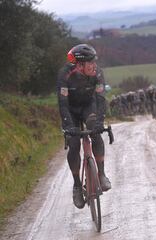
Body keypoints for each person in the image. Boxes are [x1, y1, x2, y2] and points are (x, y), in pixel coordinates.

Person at [57, 43, 111, 209]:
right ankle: (77, 186)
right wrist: (68, 126)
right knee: (73, 144)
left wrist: (100, 121)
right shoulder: (65, 74)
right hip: (71, 110)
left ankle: (101, 174)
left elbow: (101, 98)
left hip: (89, 107)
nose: (94, 65)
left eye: (94, 61)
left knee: (96, 132)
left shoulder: (97, 73)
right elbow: (63, 103)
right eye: (90, 62)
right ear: (79, 64)